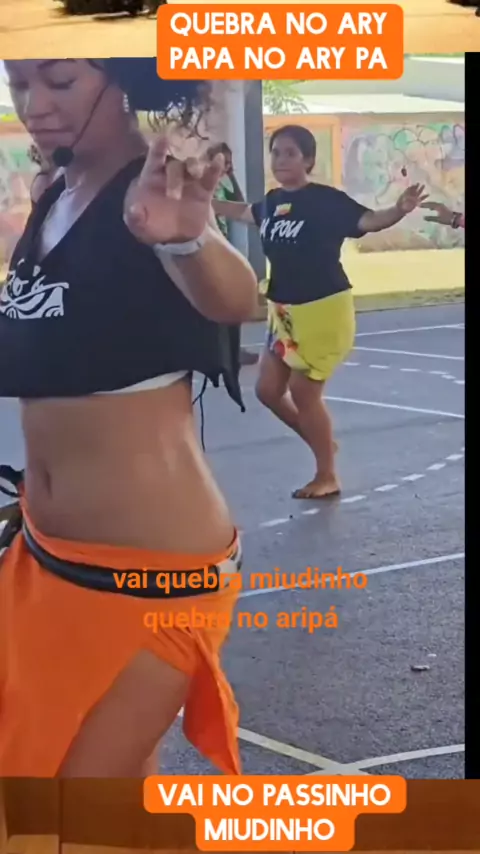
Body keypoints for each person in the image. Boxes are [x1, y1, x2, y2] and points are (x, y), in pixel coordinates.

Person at [0, 59, 258, 778]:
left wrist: (183, 239)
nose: (34, 104)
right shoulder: (55, 195)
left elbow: (235, 299)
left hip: (152, 579)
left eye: (60, 82)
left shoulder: (150, 192)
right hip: (45, 559)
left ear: (123, 81)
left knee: (67, 812)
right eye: (18, 83)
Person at [213, 124, 428, 499]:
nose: (280, 160)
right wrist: (201, 201)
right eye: (275, 152)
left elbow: (368, 221)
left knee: (303, 392)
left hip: (323, 309)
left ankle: (326, 474)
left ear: (308, 160)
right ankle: (321, 440)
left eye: (290, 153)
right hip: (284, 312)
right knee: (267, 390)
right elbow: (245, 212)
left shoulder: (326, 201)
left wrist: (398, 209)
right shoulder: (273, 202)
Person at [207, 141, 259, 367]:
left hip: (223, 244)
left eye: (229, 163)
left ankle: (233, 350)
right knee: (217, 301)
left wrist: (231, 175)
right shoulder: (203, 180)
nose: (226, 166)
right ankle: (219, 351)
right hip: (207, 245)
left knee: (229, 300)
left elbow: (239, 203)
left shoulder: (224, 183)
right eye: (222, 161)